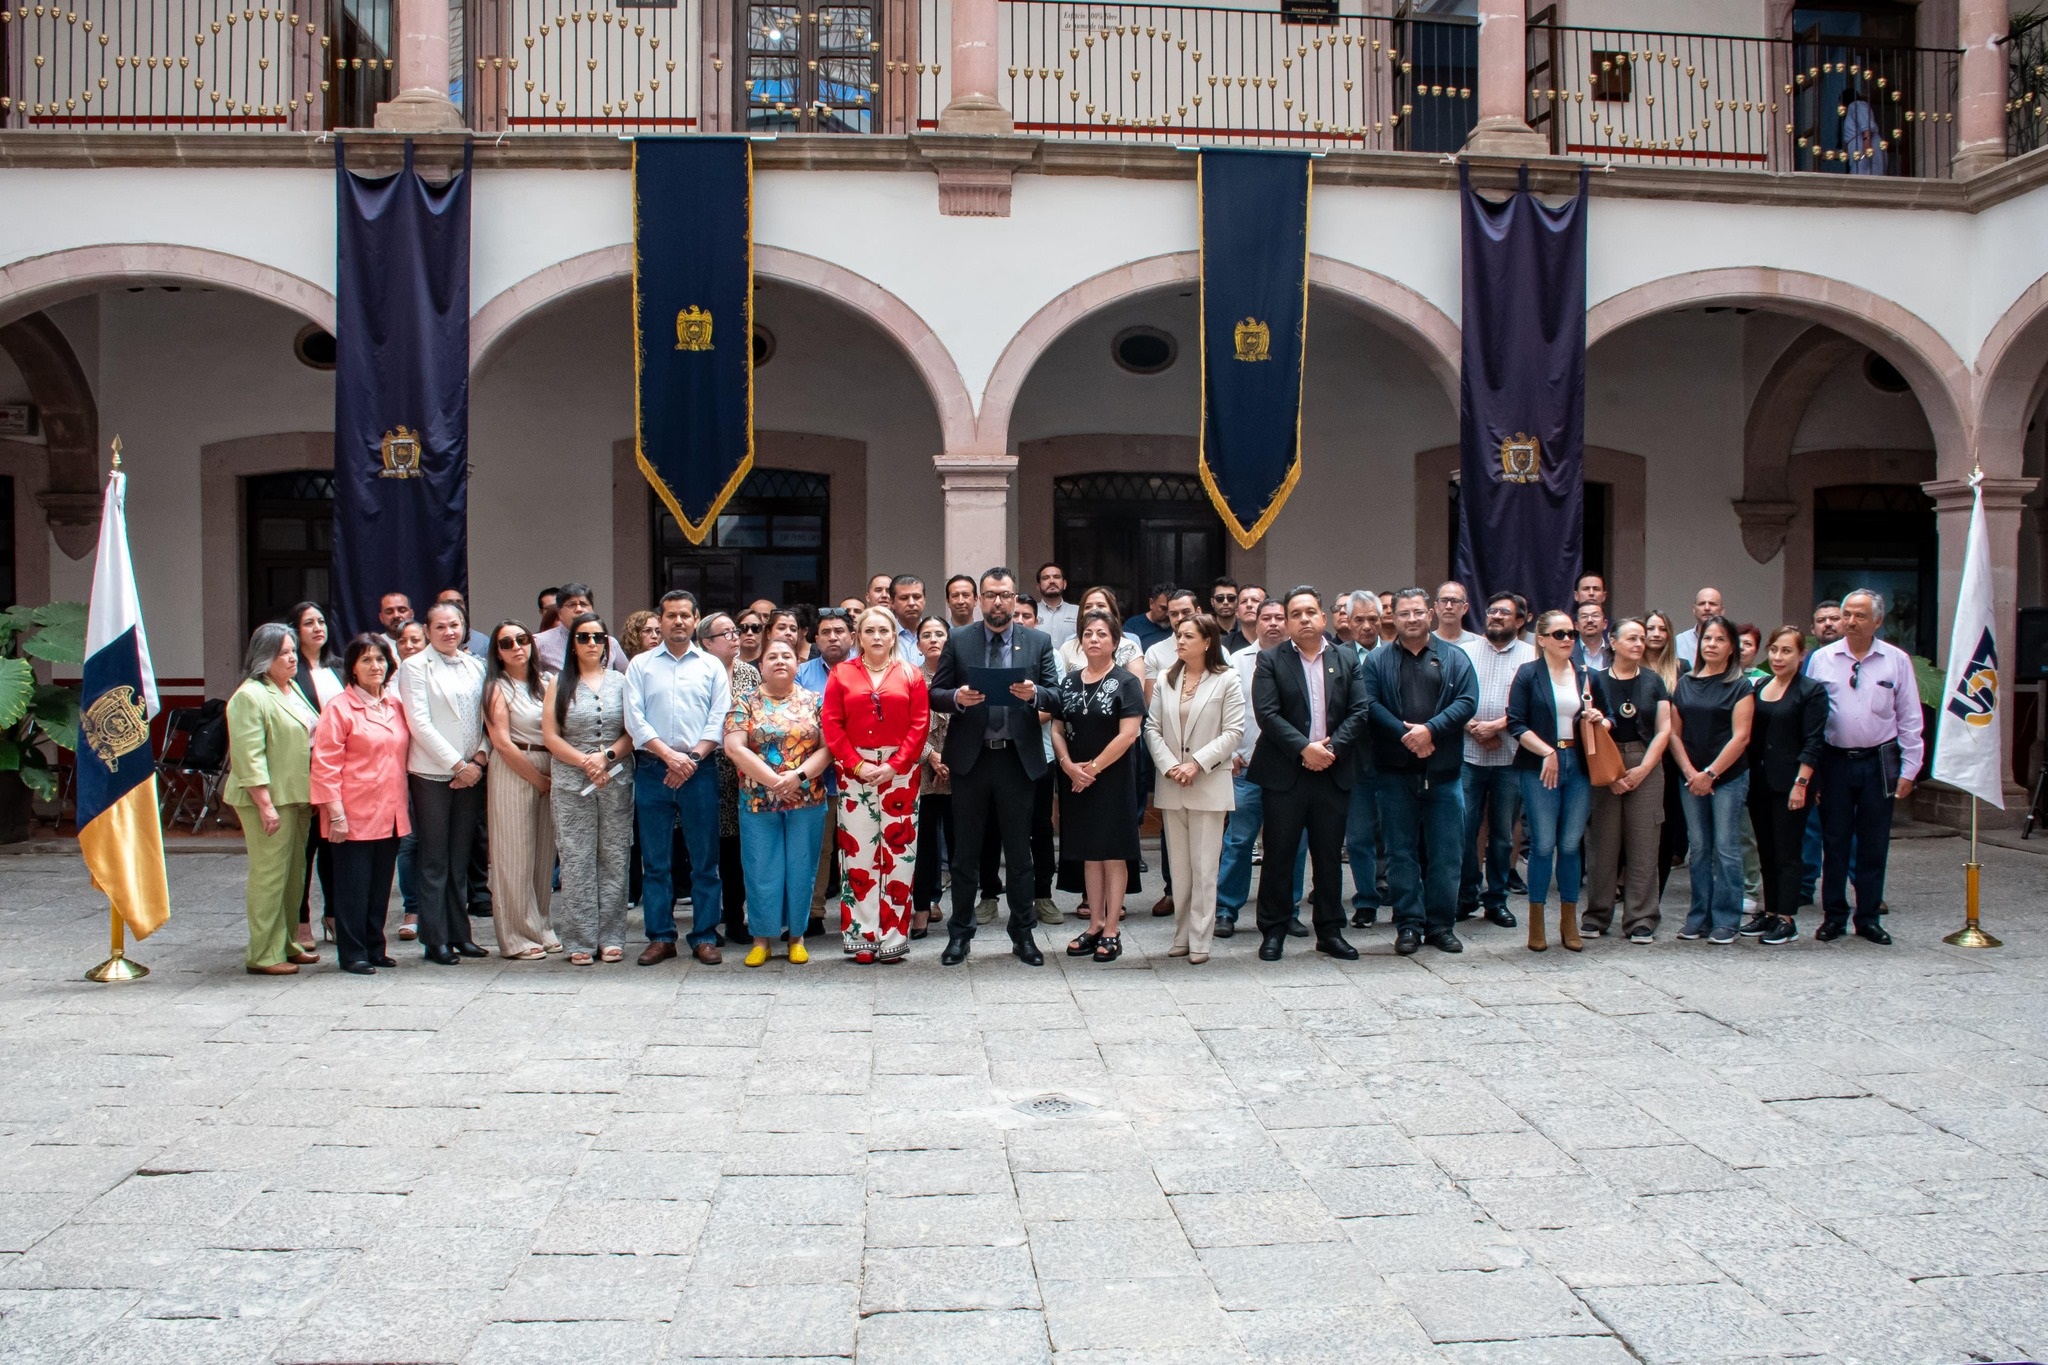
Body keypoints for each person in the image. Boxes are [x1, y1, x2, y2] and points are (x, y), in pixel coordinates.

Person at [929, 567, 1060, 966]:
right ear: (981, 600)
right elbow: (935, 693)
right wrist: (957, 698)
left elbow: (1056, 695)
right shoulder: (959, 639)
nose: (997, 602)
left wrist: (1035, 693)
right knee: (966, 853)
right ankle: (960, 935)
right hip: (972, 760)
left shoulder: (1037, 641)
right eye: (990, 595)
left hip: (1017, 761)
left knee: (1020, 854)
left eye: (1004, 595)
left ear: (1016, 597)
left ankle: (1022, 935)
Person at [1251, 587, 1374, 961]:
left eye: (1310, 612)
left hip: (1332, 771)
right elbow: (1267, 714)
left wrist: (1330, 749)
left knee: (1327, 854)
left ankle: (1330, 930)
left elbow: (1360, 711)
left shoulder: (1346, 658)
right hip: (1286, 772)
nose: (1304, 619)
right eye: (1296, 613)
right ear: (1286, 623)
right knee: (1279, 855)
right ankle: (1273, 931)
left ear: (1323, 617)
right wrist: (1305, 749)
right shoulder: (1270, 660)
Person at [1363, 588, 1478, 956]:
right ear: (1392, 618)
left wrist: (1431, 730)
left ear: (1429, 614)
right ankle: (1408, 924)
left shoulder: (1454, 658)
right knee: (1400, 853)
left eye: (1417, 612)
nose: (1411, 619)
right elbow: (1368, 704)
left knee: (1447, 853)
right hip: (1394, 773)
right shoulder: (1378, 661)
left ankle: (1441, 925)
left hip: (1443, 773)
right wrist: (1407, 734)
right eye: (1403, 613)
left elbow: (1467, 701)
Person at [1807, 588, 1922, 944]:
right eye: (1847, 615)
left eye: (1859, 616)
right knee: (1835, 839)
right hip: (1834, 760)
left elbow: (1910, 717)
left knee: (1874, 842)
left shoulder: (1896, 660)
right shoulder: (1822, 659)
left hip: (1879, 760)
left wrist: (1909, 770)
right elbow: (1810, 718)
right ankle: (1834, 916)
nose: (1851, 621)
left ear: (1877, 621)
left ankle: (1868, 917)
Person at [625, 590, 732, 965]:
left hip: (699, 770)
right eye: (671, 615)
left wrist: (690, 758)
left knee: (705, 859)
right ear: (661, 619)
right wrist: (670, 756)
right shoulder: (640, 665)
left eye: (685, 615)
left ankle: (703, 935)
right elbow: (634, 719)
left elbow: (719, 717)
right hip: (654, 769)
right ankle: (660, 936)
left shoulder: (711, 666)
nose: (678, 622)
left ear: (695, 618)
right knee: (655, 862)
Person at [822, 606, 930, 963]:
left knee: (899, 856)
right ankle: (862, 937)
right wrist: (856, 764)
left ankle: (893, 937)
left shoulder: (911, 674)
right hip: (856, 771)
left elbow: (919, 725)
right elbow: (832, 725)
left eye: (884, 630)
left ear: (894, 635)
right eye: (870, 631)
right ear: (858, 637)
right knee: (858, 856)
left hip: (901, 772)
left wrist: (896, 764)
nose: (877, 637)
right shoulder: (841, 673)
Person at [1043, 609, 1147, 963]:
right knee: (1089, 851)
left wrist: (1094, 769)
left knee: (1112, 851)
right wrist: (1069, 766)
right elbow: (1057, 728)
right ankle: (1094, 924)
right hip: (1075, 779)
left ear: (1115, 641)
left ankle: (1112, 928)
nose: (1094, 639)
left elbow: (1129, 733)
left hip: (1113, 777)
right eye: (1088, 633)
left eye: (1101, 634)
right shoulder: (1069, 681)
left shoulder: (1126, 681)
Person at [725, 637, 833, 966]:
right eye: (772, 656)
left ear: (797, 665)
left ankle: (796, 937)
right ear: (761, 666)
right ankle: (761, 939)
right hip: (758, 801)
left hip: (807, 799)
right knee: (761, 870)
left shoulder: (815, 701)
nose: (780, 661)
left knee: (801, 870)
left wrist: (796, 778)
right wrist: (775, 782)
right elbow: (734, 747)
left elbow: (828, 748)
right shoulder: (746, 701)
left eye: (787, 655)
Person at [1144, 612, 1245, 964]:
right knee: (1180, 869)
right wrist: (1170, 765)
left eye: (1188, 635)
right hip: (1173, 783)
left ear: (1207, 641)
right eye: (1178, 635)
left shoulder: (1227, 679)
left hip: (1207, 783)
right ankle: (1181, 933)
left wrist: (1197, 763)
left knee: (1205, 868)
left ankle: (1201, 938)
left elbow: (1234, 732)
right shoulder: (1165, 680)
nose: (1180, 641)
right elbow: (1151, 728)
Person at [309, 633, 411, 974]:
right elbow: (324, 765)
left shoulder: (394, 705)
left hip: (391, 811)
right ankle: (352, 953)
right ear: (352, 667)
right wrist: (334, 814)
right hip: (351, 813)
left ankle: (374, 946)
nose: (375, 666)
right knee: (353, 886)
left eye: (380, 659)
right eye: (366, 660)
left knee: (381, 885)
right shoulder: (339, 708)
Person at [226, 624, 323, 975]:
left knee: (294, 874)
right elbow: (249, 755)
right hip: (266, 798)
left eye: (293, 650)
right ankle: (264, 952)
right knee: (269, 875)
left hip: (296, 795)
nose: (292, 657)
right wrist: (265, 803)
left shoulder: (291, 687)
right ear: (264, 657)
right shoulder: (249, 696)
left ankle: (286, 942)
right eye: (283, 652)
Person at [400, 602, 491, 965]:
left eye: (455, 625)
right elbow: (419, 723)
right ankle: (435, 938)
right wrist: (456, 765)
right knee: (434, 858)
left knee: (460, 858)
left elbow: (488, 718)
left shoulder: (476, 665)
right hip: (433, 773)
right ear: (428, 629)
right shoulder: (414, 666)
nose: (449, 632)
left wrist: (479, 759)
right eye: (441, 626)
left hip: (473, 770)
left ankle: (460, 933)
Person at [544, 612, 636, 965]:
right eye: (584, 637)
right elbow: (551, 736)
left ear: (608, 643)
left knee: (614, 856)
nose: (592, 644)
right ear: (573, 643)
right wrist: (586, 762)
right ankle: (579, 939)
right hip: (571, 781)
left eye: (598, 637)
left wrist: (607, 757)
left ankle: (611, 936)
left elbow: (632, 731)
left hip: (615, 778)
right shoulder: (559, 682)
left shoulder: (620, 681)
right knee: (576, 858)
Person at [1507, 610, 1601, 953]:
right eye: (1559, 634)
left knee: (1572, 844)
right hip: (1539, 764)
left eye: (1571, 634)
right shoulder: (1528, 674)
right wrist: (1546, 752)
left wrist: (1599, 718)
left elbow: (1603, 722)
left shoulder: (1586, 675)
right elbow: (1515, 723)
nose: (1567, 640)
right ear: (1542, 639)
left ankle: (1569, 921)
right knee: (1544, 844)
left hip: (1578, 762)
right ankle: (1536, 922)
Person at [1218, 597, 1305, 937]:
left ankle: (1289, 910)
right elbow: (1226, 709)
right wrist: (1231, 752)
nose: (1273, 623)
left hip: (1293, 769)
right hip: (1247, 767)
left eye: (1279, 617)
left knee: (1292, 843)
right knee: (1239, 841)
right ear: (1254, 622)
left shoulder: (1303, 659)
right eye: (1265, 617)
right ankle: (1226, 909)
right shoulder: (1238, 661)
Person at [1584, 618, 1672, 943]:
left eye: (1642, 639)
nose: (1638, 644)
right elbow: (1587, 727)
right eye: (1631, 638)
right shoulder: (1595, 680)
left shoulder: (1653, 681)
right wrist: (1610, 775)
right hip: (1604, 760)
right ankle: (1596, 915)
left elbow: (1664, 729)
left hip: (1644, 760)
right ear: (1614, 642)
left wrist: (1643, 768)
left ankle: (1641, 919)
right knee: (1602, 844)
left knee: (1644, 842)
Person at [1670, 616, 1755, 945]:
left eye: (1720, 640)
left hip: (1727, 777)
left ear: (1731, 646)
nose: (1712, 645)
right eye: (1707, 639)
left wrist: (1710, 774)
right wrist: (1692, 773)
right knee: (1700, 847)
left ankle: (1726, 919)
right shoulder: (1685, 682)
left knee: (1726, 848)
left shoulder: (1740, 685)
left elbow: (1741, 737)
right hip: (1690, 777)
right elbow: (1674, 735)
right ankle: (1699, 916)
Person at [1746, 625, 1829, 946]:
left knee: (1787, 851)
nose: (1778, 657)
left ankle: (1787, 918)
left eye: (1787, 651)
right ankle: (1770, 910)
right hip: (1760, 782)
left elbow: (1813, 741)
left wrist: (1802, 783)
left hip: (1792, 783)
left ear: (1801, 655)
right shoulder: (1762, 685)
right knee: (1765, 849)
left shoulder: (1811, 691)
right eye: (1775, 650)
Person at [483, 619, 558, 959]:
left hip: (549, 766)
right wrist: (537, 779)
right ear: (497, 653)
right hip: (516, 768)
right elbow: (501, 742)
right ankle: (515, 936)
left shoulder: (545, 683)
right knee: (515, 855)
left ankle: (540, 925)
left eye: (522, 639)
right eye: (506, 643)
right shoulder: (497, 687)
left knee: (543, 856)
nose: (516, 647)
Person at [1459, 591, 1533, 929]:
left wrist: (1498, 727)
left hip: (1509, 758)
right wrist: (1473, 727)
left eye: (1505, 612)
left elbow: (1533, 706)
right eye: (1492, 611)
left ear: (1520, 621)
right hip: (1469, 755)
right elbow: (1450, 697)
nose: (1496, 616)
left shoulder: (1532, 658)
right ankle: (1466, 895)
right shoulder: (1465, 652)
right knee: (1465, 830)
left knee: (1502, 834)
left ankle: (1497, 899)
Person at [286, 601, 343, 948]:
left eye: (321, 621)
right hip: (305, 769)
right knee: (306, 849)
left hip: (340, 771)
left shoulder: (338, 667)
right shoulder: (289, 673)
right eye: (309, 623)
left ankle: (335, 914)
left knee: (334, 847)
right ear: (295, 630)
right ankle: (301, 918)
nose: (317, 628)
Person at [697, 612, 755, 943]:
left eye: (736, 631)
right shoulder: (697, 671)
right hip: (704, 767)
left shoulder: (749, 673)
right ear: (707, 642)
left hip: (741, 773)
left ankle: (736, 919)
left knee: (735, 852)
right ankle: (706, 923)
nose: (736, 636)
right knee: (706, 851)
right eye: (727, 633)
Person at [1009, 595, 1062, 927]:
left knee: (1041, 829)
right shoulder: (994, 648)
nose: (1020, 620)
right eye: (1015, 614)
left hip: (1040, 754)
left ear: (1036, 621)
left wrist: (1023, 718)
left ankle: (1043, 894)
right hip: (1002, 756)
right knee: (1002, 830)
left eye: (1026, 615)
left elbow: (1055, 699)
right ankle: (991, 896)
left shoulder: (1048, 651)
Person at [912, 616, 956, 939]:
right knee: (924, 845)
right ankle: (923, 908)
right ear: (917, 644)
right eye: (926, 635)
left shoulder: (962, 676)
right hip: (922, 769)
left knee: (960, 844)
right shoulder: (910, 679)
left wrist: (951, 758)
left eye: (939, 634)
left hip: (960, 770)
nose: (933, 640)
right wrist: (932, 756)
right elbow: (907, 725)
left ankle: (963, 911)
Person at [1643, 610, 1691, 896]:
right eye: (1651, 628)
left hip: (1671, 758)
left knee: (1666, 824)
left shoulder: (1682, 668)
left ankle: (1656, 890)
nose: (1657, 634)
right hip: (1636, 753)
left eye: (1663, 628)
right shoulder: (1630, 665)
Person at [391, 619, 428, 942]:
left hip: (431, 766)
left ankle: (435, 908)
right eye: (403, 641)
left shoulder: (431, 672)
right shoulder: (388, 679)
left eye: (416, 639)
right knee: (409, 841)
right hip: (398, 772)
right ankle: (412, 908)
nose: (410, 645)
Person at [535, 582, 628, 673]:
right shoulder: (540, 643)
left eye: (583, 604)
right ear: (559, 613)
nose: (579, 609)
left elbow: (628, 677)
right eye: (571, 605)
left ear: (592, 610)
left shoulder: (609, 642)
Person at [1671, 587, 1724, 671]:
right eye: (1702, 603)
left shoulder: (1730, 640)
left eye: (1712, 604)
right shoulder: (1680, 641)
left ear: (1722, 610)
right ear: (1694, 609)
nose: (1707, 608)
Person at [1842, 82, 1886, 175]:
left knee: (1863, 176)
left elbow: (1865, 124)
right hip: (1862, 148)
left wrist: (1866, 144)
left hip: (1865, 146)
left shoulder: (1856, 105)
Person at [1031, 564, 1076, 646]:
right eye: (1046, 578)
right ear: (1038, 586)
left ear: (1064, 584)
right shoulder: (1030, 613)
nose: (1052, 581)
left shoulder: (1078, 612)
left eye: (1056, 577)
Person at [437, 588, 490, 658]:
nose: (455, 606)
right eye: (449, 602)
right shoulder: (432, 639)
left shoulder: (482, 641)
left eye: (459, 602)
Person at [1124, 583, 1174, 654]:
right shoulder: (1133, 626)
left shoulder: (1178, 625)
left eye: (1171, 610)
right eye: (1163, 608)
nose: (1167, 614)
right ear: (1151, 603)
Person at [1222, 585, 1263, 654]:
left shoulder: (1277, 642)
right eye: (1243, 601)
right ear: (1237, 612)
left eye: (1255, 600)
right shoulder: (1224, 645)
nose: (1249, 605)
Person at [1572, 602, 1611, 672]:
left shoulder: (1616, 654)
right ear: (1576, 626)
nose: (1589, 620)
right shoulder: (1568, 654)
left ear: (1605, 624)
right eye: (1584, 616)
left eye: (1595, 615)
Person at [1433, 582, 1472, 647]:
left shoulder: (1478, 644)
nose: (1449, 606)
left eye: (1455, 601)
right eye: (1444, 600)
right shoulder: (1423, 643)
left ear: (1465, 608)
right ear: (1436, 607)